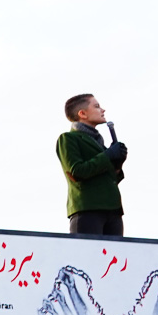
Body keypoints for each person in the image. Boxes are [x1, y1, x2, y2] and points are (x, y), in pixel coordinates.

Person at [57, 94, 127, 236]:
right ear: (82, 114)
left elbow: (110, 179)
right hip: (87, 210)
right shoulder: (68, 138)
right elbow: (77, 172)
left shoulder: (99, 143)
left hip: (113, 211)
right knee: (86, 250)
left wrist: (117, 164)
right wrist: (108, 156)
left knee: (115, 251)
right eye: (96, 106)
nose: (103, 110)